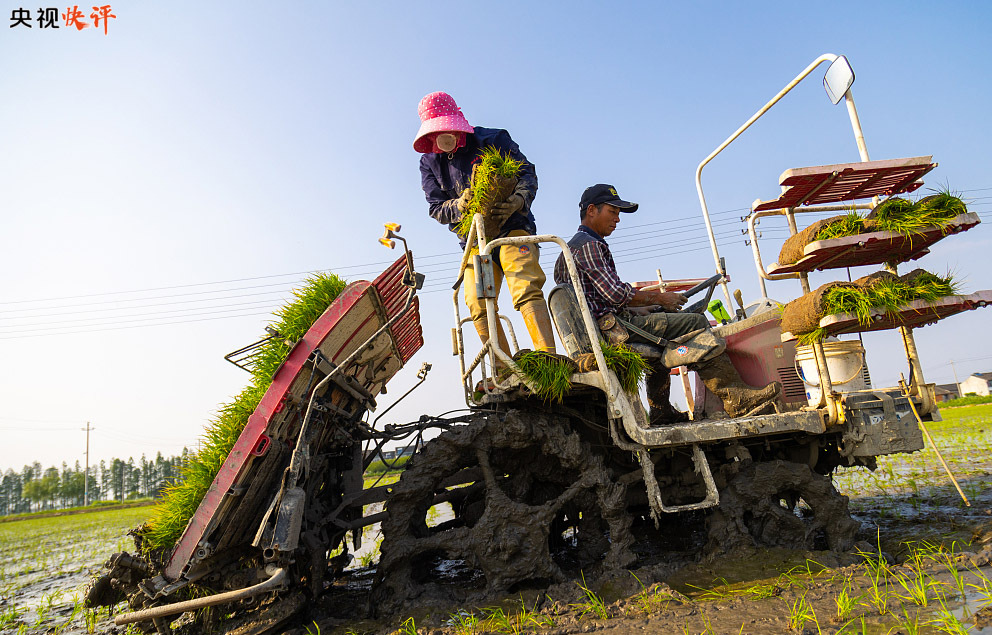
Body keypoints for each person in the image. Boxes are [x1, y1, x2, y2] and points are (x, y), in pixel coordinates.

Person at [553, 184, 781, 423]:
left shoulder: (567, 251)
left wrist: (641, 308)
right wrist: (660, 297)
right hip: (613, 331)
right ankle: (736, 397)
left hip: (606, 326)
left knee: (665, 325)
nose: (618, 219)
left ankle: (661, 411)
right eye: (613, 212)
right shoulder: (590, 245)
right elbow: (615, 294)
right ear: (592, 210)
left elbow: (596, 299)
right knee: (695, 321)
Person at [414, 91, 556, 358]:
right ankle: (504, 370)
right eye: (436, 134)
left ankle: (548, 357)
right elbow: (435, 208)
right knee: (477, 302)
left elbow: (526, 172)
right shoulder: (429, 162)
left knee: (523, 281)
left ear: (457, 123)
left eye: (447, 131)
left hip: (512, 225)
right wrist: (457, 205)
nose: (443, 139)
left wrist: (518, 200)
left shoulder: (492, 139)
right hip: (474, 240)